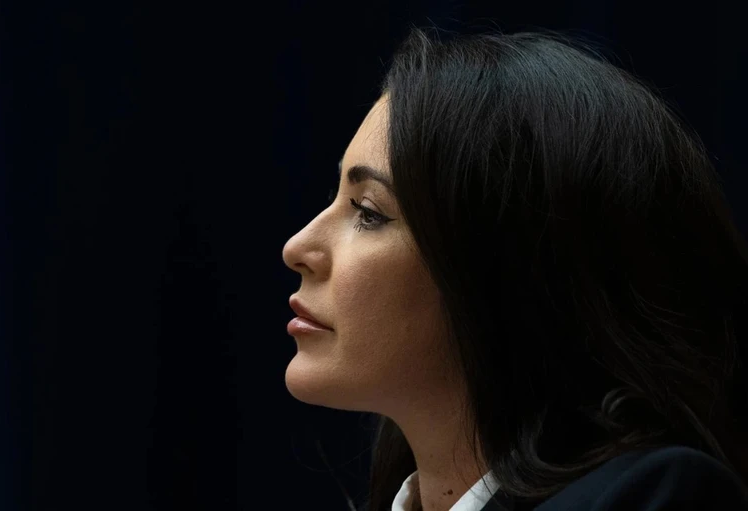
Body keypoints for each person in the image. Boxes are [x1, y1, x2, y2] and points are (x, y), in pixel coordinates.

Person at [281, 26, 748, 511]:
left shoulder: (653, 496)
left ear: (509, 269)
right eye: (336, 198)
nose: (297, 247)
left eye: (368, 212)